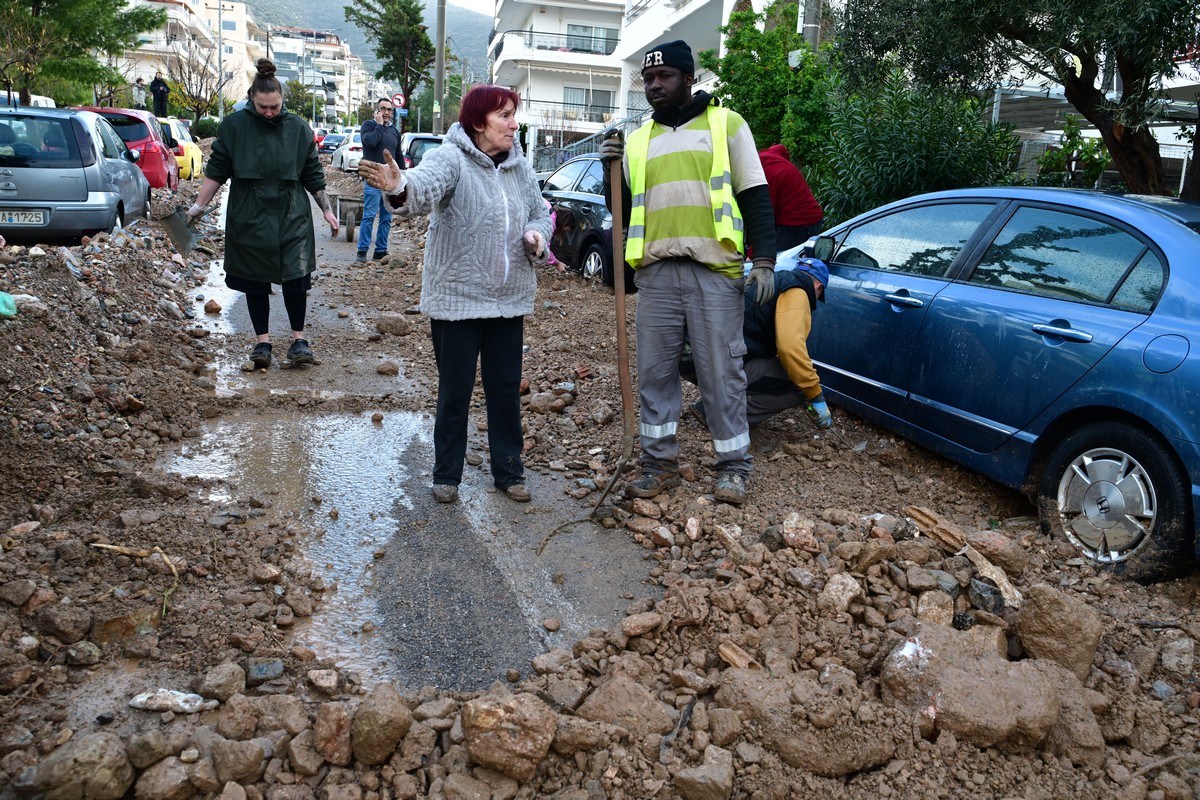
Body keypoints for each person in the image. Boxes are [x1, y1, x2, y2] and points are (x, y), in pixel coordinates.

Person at [599, 40, 777, 506]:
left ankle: (733, 468)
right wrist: (608, 167)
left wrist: (764, 262)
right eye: (648, 80)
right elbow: (620, 211)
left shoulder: (726, 125)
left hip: (713, 272)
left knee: (722, 373)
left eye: (665, 77)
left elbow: (756, 195)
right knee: (655, 374)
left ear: (688, 79)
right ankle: (659, 467)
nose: (654, 86)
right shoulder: (637, 142)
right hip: (656, 275)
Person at [358, 85, 550, 505]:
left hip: (508, 300)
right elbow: (422, 189)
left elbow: (539, 211)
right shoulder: (451, 157)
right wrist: (399, 187)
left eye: (514, 114)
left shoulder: (520, 166)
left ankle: (509, 472)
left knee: (504, 389)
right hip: (457, 301)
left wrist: (538, 234)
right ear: (479, 122)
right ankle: (446, 474)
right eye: (505, 115)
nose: (514, 124)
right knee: (455, 391)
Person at [185, 58, 338, 369]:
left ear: (282, 100)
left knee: (296, 278)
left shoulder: (298, 128)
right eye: (262, 107)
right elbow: (217, 171)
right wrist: (199, 205)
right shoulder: (233, 126)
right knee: (255, 280)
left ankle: (298, 339)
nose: (269, 112)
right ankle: (262, 342)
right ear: (251, 99)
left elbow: (312, 173)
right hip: (249, 213)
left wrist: (328, 211)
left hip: (292, 213)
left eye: (275, 107)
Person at [687, 257, 832, 430]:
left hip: (693, 359)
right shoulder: (798, 292)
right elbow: (790, 348)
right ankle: (719, 414)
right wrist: (815, 394)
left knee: (781, 371)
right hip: (718, 364)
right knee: (799, 385)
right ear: (818, 287)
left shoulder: (772, 281)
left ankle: (715, 402)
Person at [355, 98, 403, 262]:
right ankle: (362, 251)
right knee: (369, 216)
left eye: (389, 110)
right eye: (383, 109)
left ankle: (380, 251)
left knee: (386, 218)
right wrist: (379, 124)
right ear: (377, 111)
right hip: (373, 180)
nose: (387, 113)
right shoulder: (368, 126)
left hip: (389, 183)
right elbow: (371, 142)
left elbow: (398, 156)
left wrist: (403, 177)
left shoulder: (395, 132)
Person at [759, 144, 824, 250]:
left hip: (797, 225)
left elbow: (766, 214)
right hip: (813, 220)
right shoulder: (779, 166)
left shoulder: (770, 170)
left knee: (778, 259)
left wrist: (753, 253)